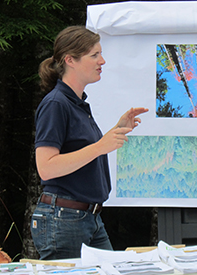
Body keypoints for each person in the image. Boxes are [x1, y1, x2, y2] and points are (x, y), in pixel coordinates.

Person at [30, 25, 148, 260]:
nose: (102, 61)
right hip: (64, 220)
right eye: (94, 55)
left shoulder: (76, 103)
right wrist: (101, 146)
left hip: (88, 218)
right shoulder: (56, 104)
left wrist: (117, 129)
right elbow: (46, 167)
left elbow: (83, 151)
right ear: (70, 60)